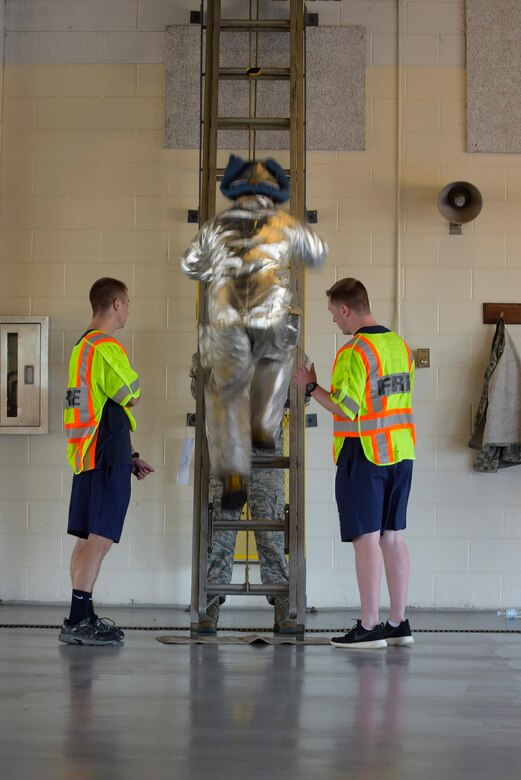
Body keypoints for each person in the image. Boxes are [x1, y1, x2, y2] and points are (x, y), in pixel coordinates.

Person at [181, 155, 327, 511]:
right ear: (271, 193)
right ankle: (264, 425)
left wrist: (220, 266)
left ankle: (231, 472)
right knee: (277, 359)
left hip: (225, 313)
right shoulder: (284, 221)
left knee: (225, 390)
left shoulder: (216, 225)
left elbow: (191, 265)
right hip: (269, 309)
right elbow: (317, 252)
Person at [294, 278, 416, 649]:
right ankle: (397, 623)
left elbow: (345, 407)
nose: (333, 320)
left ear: (346, 309)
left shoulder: (354, 352)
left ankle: (369, 626)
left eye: (333, 312)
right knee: (392, 537)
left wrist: (310, 386)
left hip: (364, 453)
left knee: (365, 538)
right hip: (401, 451)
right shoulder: (399, 346)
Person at [60, 277, 154, 646]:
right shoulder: (104, 346)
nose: (129, 310)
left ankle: (80, 615)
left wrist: (127, 454)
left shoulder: (80, 348)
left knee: (88, 537)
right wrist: (115, 452)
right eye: (127, 303)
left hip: (90, 451)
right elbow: (131, 394)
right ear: (116, 303)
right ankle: (79, 620)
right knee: (99, 538)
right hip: (103, 453)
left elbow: (83, 407)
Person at [189, 354, 294, 634]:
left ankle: (282, 599)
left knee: (270, 527)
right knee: (219, 527)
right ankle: (210, 599)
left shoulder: (280, 342)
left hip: (267, 453)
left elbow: (298, 395)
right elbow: (197, 391)